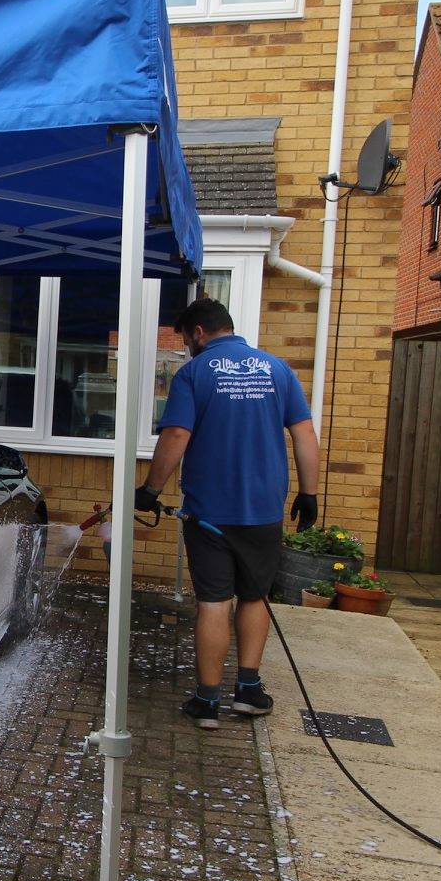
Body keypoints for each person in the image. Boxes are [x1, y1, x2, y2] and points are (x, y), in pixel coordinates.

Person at [136, 297, 320, 729]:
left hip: (209, 513)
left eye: (185, 339)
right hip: (263, 509)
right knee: (254, 595)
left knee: (214, 602)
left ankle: (207, 701)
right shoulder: (277, 369)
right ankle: (249, 690)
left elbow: (178, 433)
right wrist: (309, 494)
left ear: (198, 332)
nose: (185, 348)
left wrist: (149, 489)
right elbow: (305, 432)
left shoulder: (195, 373)